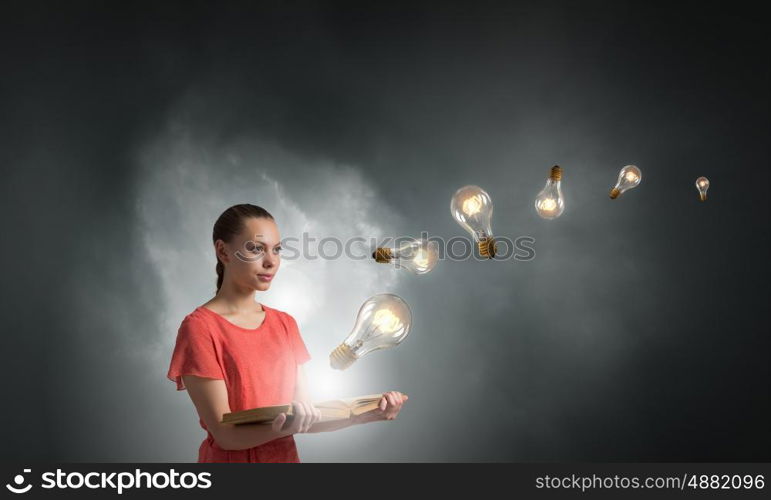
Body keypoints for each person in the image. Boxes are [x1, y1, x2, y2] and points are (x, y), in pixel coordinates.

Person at [167, 203, 408, 462]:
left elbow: (305, 417)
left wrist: (367, 414)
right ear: (223, 251)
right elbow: (225, 434)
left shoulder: (284, 324)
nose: (271, 262)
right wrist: (285, 426)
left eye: (277, 250)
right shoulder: (200, 328)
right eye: (256, 249)